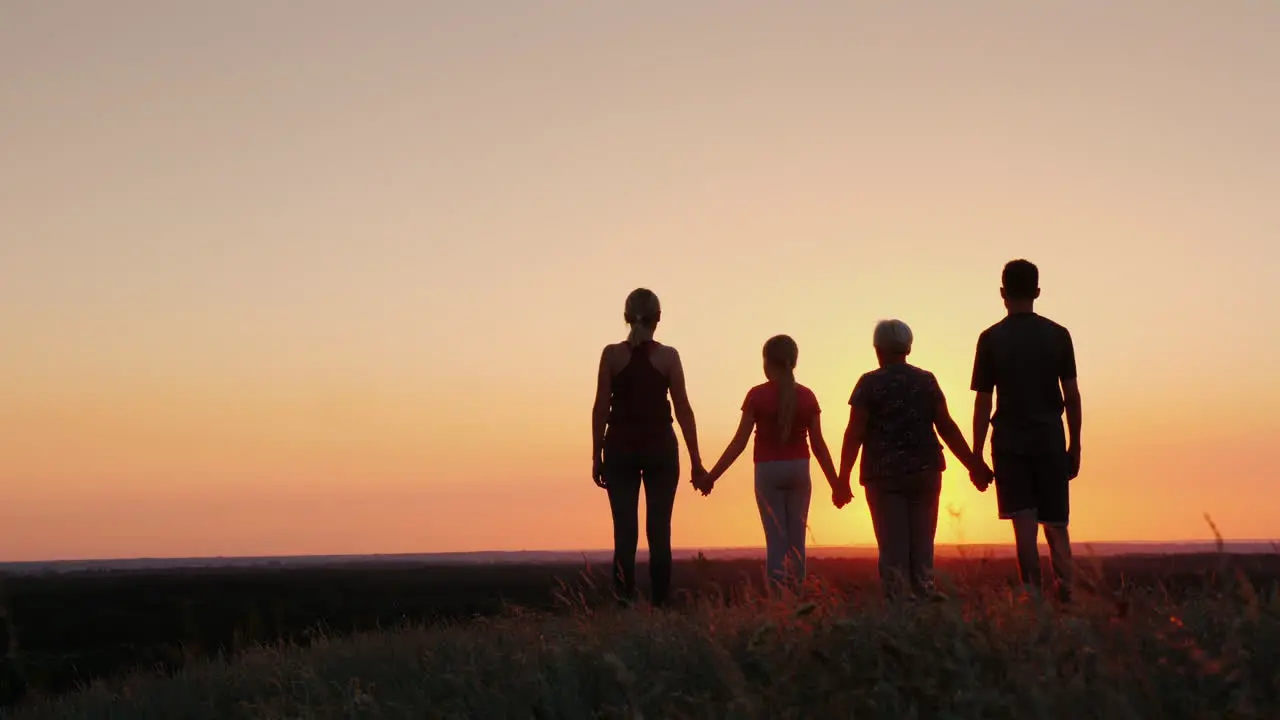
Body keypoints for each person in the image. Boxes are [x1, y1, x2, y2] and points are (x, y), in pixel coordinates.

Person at [836, 319, 992, 599]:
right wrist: (973, 465)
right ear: (908, 347)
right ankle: (925, 613)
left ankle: (900, 619)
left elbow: (854, 432)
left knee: (893, 552)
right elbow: (946, 426)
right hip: (925, 473)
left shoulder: (868, 383)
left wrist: (842, 479)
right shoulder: (926, 380)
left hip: (884, 476)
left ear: (878, 349)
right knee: (922, 552)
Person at [970, 259, 1082, 602]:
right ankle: (1068, 599)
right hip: (1049, 440)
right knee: (1057, 526)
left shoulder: (990, 339)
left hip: (1010, 445)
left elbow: (983, 403)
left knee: (1024, 529)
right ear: (1036, 291)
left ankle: (1032, 600)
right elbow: (1072, 396)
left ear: (1002, 293)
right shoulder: (1058, 335)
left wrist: (975, 454)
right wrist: (1075, 445)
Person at [592, 288, 706, 607]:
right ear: (659, 318)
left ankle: (624, 605)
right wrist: (696, 460)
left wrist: (595, 455)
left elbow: (600, 407)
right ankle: (661, 606)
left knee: (624, 533)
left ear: (626, 317)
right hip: (661, 450)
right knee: (660, 532)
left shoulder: (611, 355)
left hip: (619, 449)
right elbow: (683, 408)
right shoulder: (668, 356)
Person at [698, 335, 840, 589]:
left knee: (776, 542)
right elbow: (818, 445)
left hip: (767, 470)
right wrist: (837, 484)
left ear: (766, 363)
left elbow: (739, 443)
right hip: (799, 468)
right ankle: (797, 601)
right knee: (797, 543)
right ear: (793, 362)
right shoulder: (807, 396)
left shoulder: (756, 396)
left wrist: (712, 476)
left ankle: (778, 604)